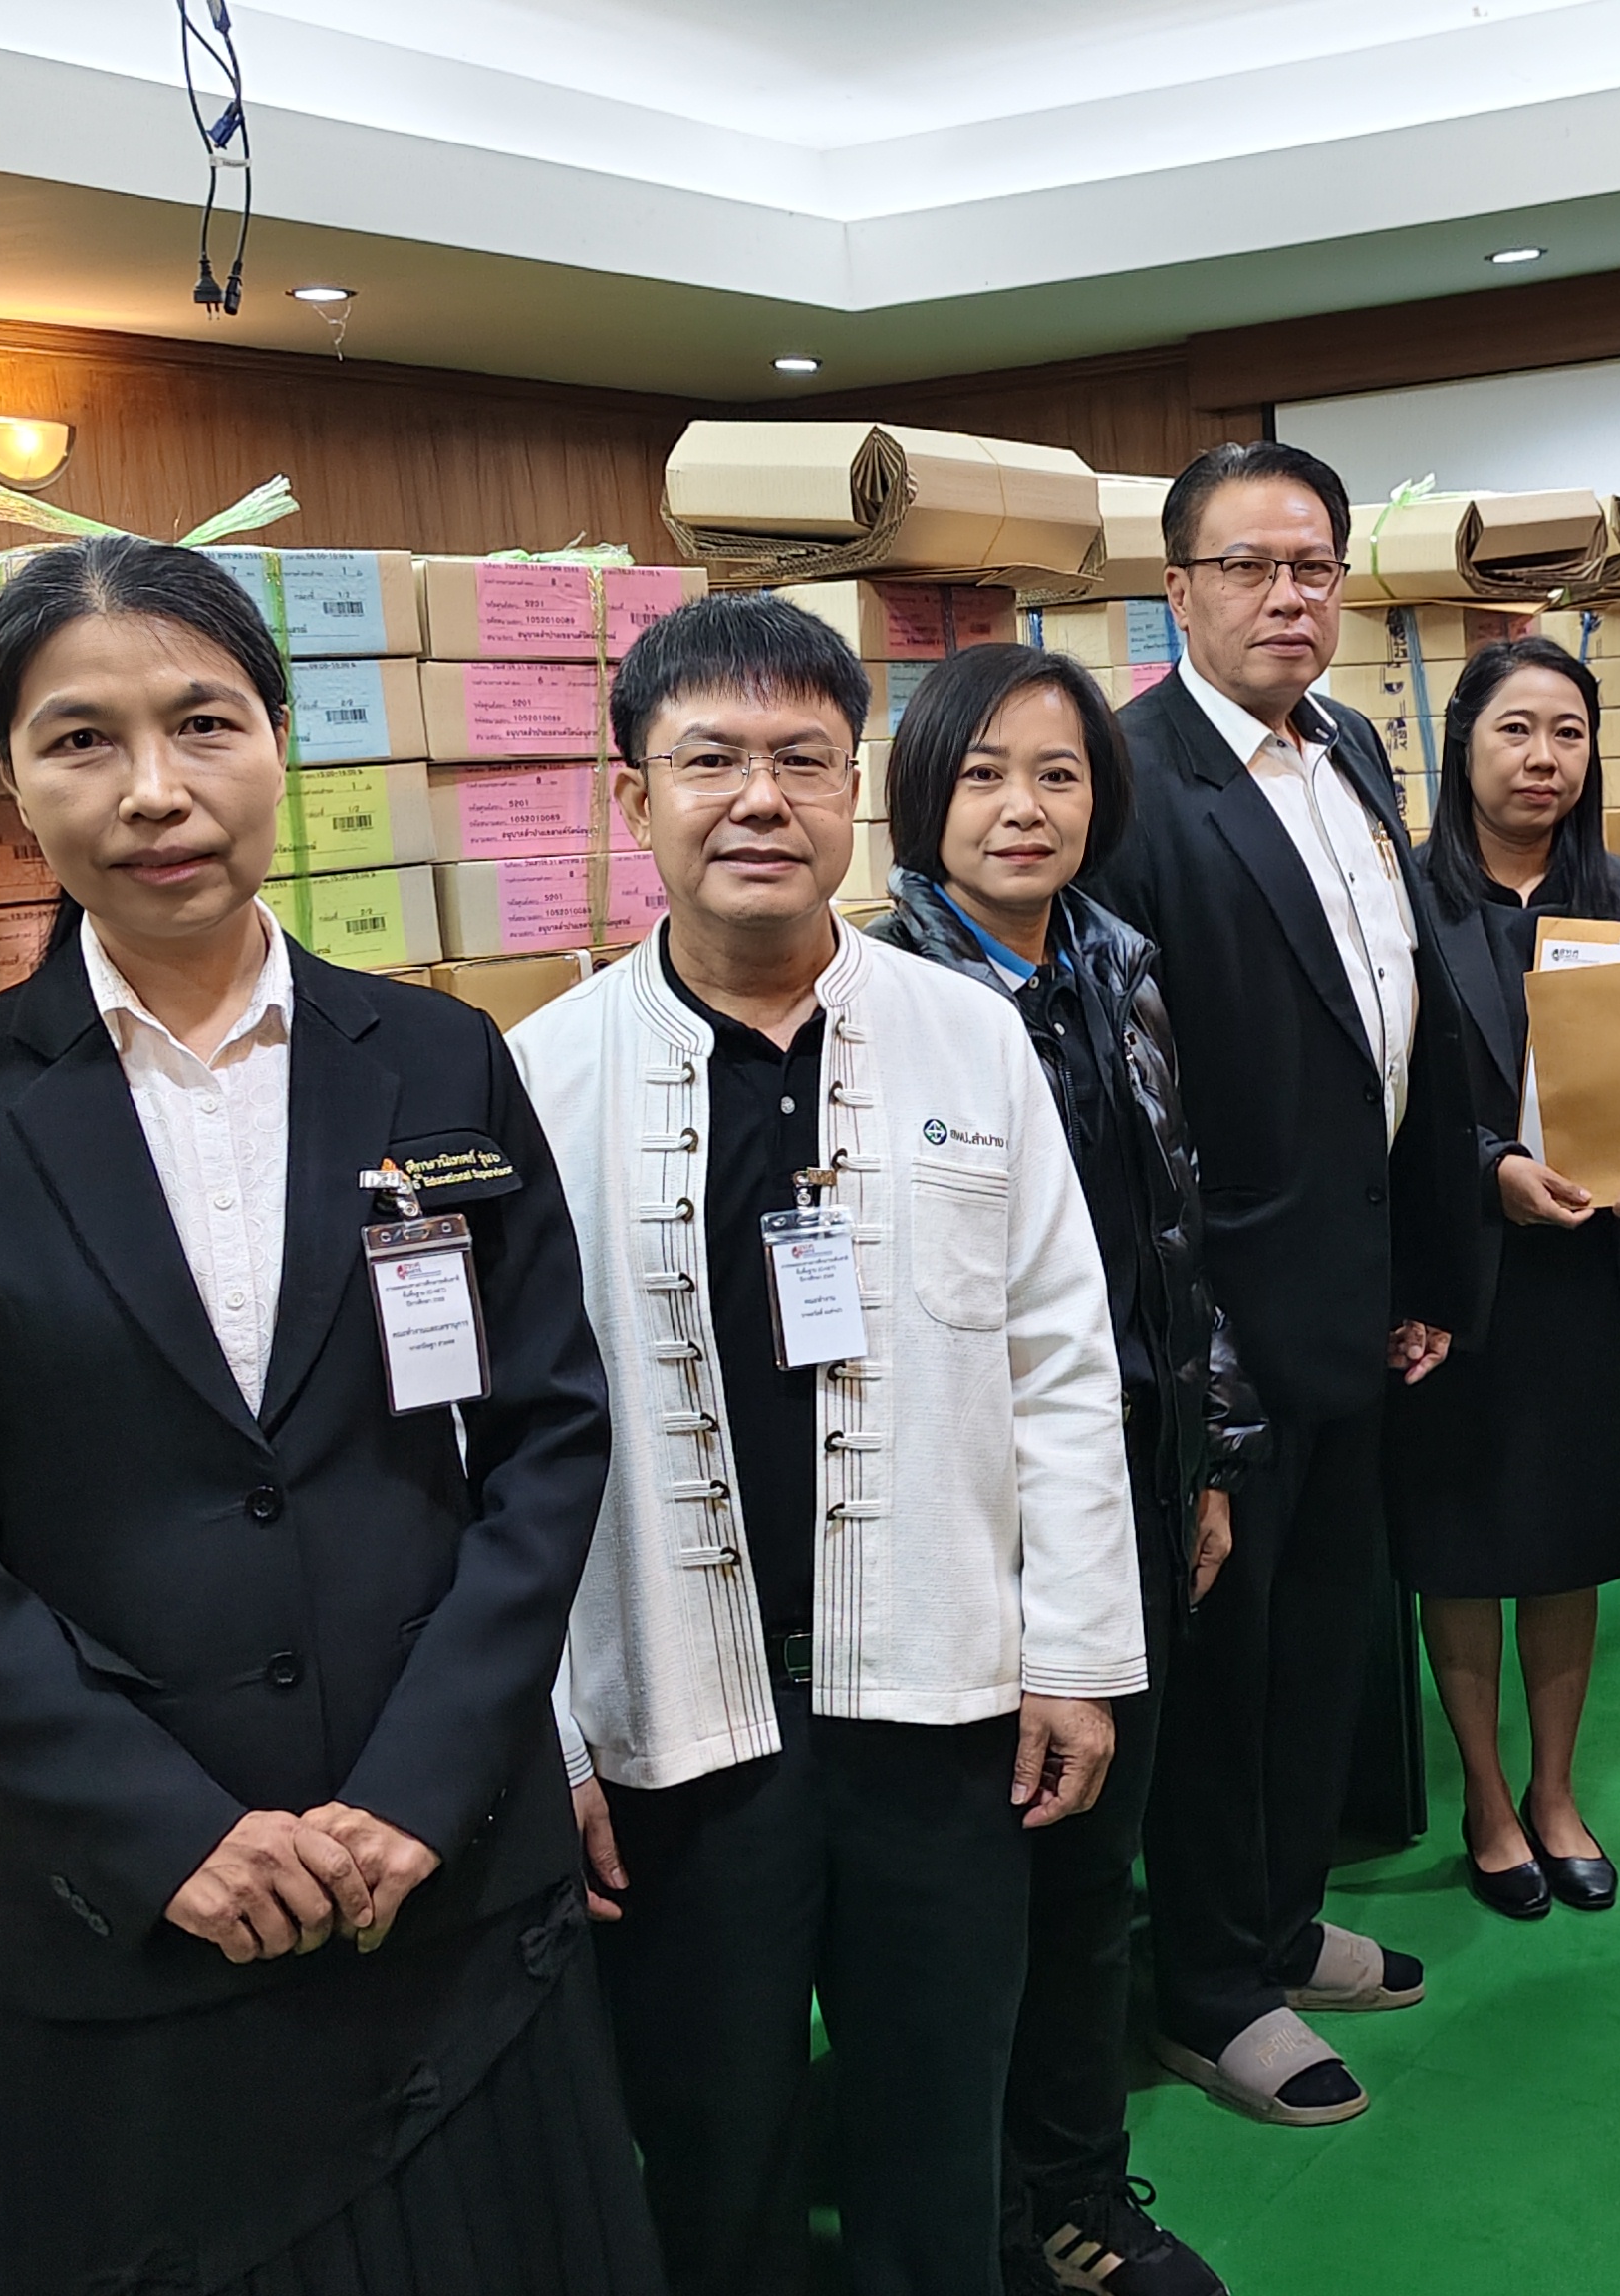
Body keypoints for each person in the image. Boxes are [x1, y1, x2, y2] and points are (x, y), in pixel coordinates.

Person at [0, 535, 662, 2296]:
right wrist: (165, 1829)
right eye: (80, 740)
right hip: (128, 1926)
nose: (153, 790)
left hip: (446, 1883)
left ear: (278, 739)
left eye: (203, 724)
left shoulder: (436, 1059)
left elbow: (547, 1436)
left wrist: (424, 1786)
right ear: (10, 780)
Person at [510, 593, 1150, 2296]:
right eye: (708, 760)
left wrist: (1077, 1653)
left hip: (940, 1704)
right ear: (632, 797)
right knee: (712, 2150)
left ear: (853, 790)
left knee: (939, 2137)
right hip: (679, 1727)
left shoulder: (966, 1033)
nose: (759, 800)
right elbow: (495, 1453)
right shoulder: (544, 1078)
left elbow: (1062, 1359)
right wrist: (548, 1736)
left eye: (802, 759)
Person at [1090, 438, 1481, 2128]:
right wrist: (1196, 1344)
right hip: (1220, 1320)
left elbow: (1386, 1018)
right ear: (1177, 589)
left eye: (1314, 566)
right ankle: (1205, 1987)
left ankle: (1279, 1917)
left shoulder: (1352, 745)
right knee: (1223, 1670)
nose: (1287, 596)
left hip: (1352, 1288)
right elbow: (1131, 1094)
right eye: (1248, 567)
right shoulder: (1127, 776)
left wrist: (1416, 1263)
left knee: (1323, 1639)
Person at [868, 641, 1265, 2296]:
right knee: (971, 1899)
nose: (1022, 809)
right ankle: (982, 2221)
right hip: (960, 1509)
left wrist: (1208, 1456)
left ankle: (1080, 2188)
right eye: (982, 775)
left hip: (1131, 1480)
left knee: (1097, 1864)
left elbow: (1181, 1229)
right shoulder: (879, 995)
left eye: (1057, 775)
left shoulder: (1117, 962)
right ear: (921, 796)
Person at [1389, 636, 1620, 1924]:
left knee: (1571, 1542)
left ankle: (1557, 1793)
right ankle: (1485, 1798)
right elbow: (1383, 1095)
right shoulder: (1400, 896)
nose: (1543, 759)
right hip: (1457, 1273)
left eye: (1568, 733)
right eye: (1515, 730)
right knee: (1463, 1547)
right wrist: (1492, 1170)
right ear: (1462, 741)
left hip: (1588, 1273)